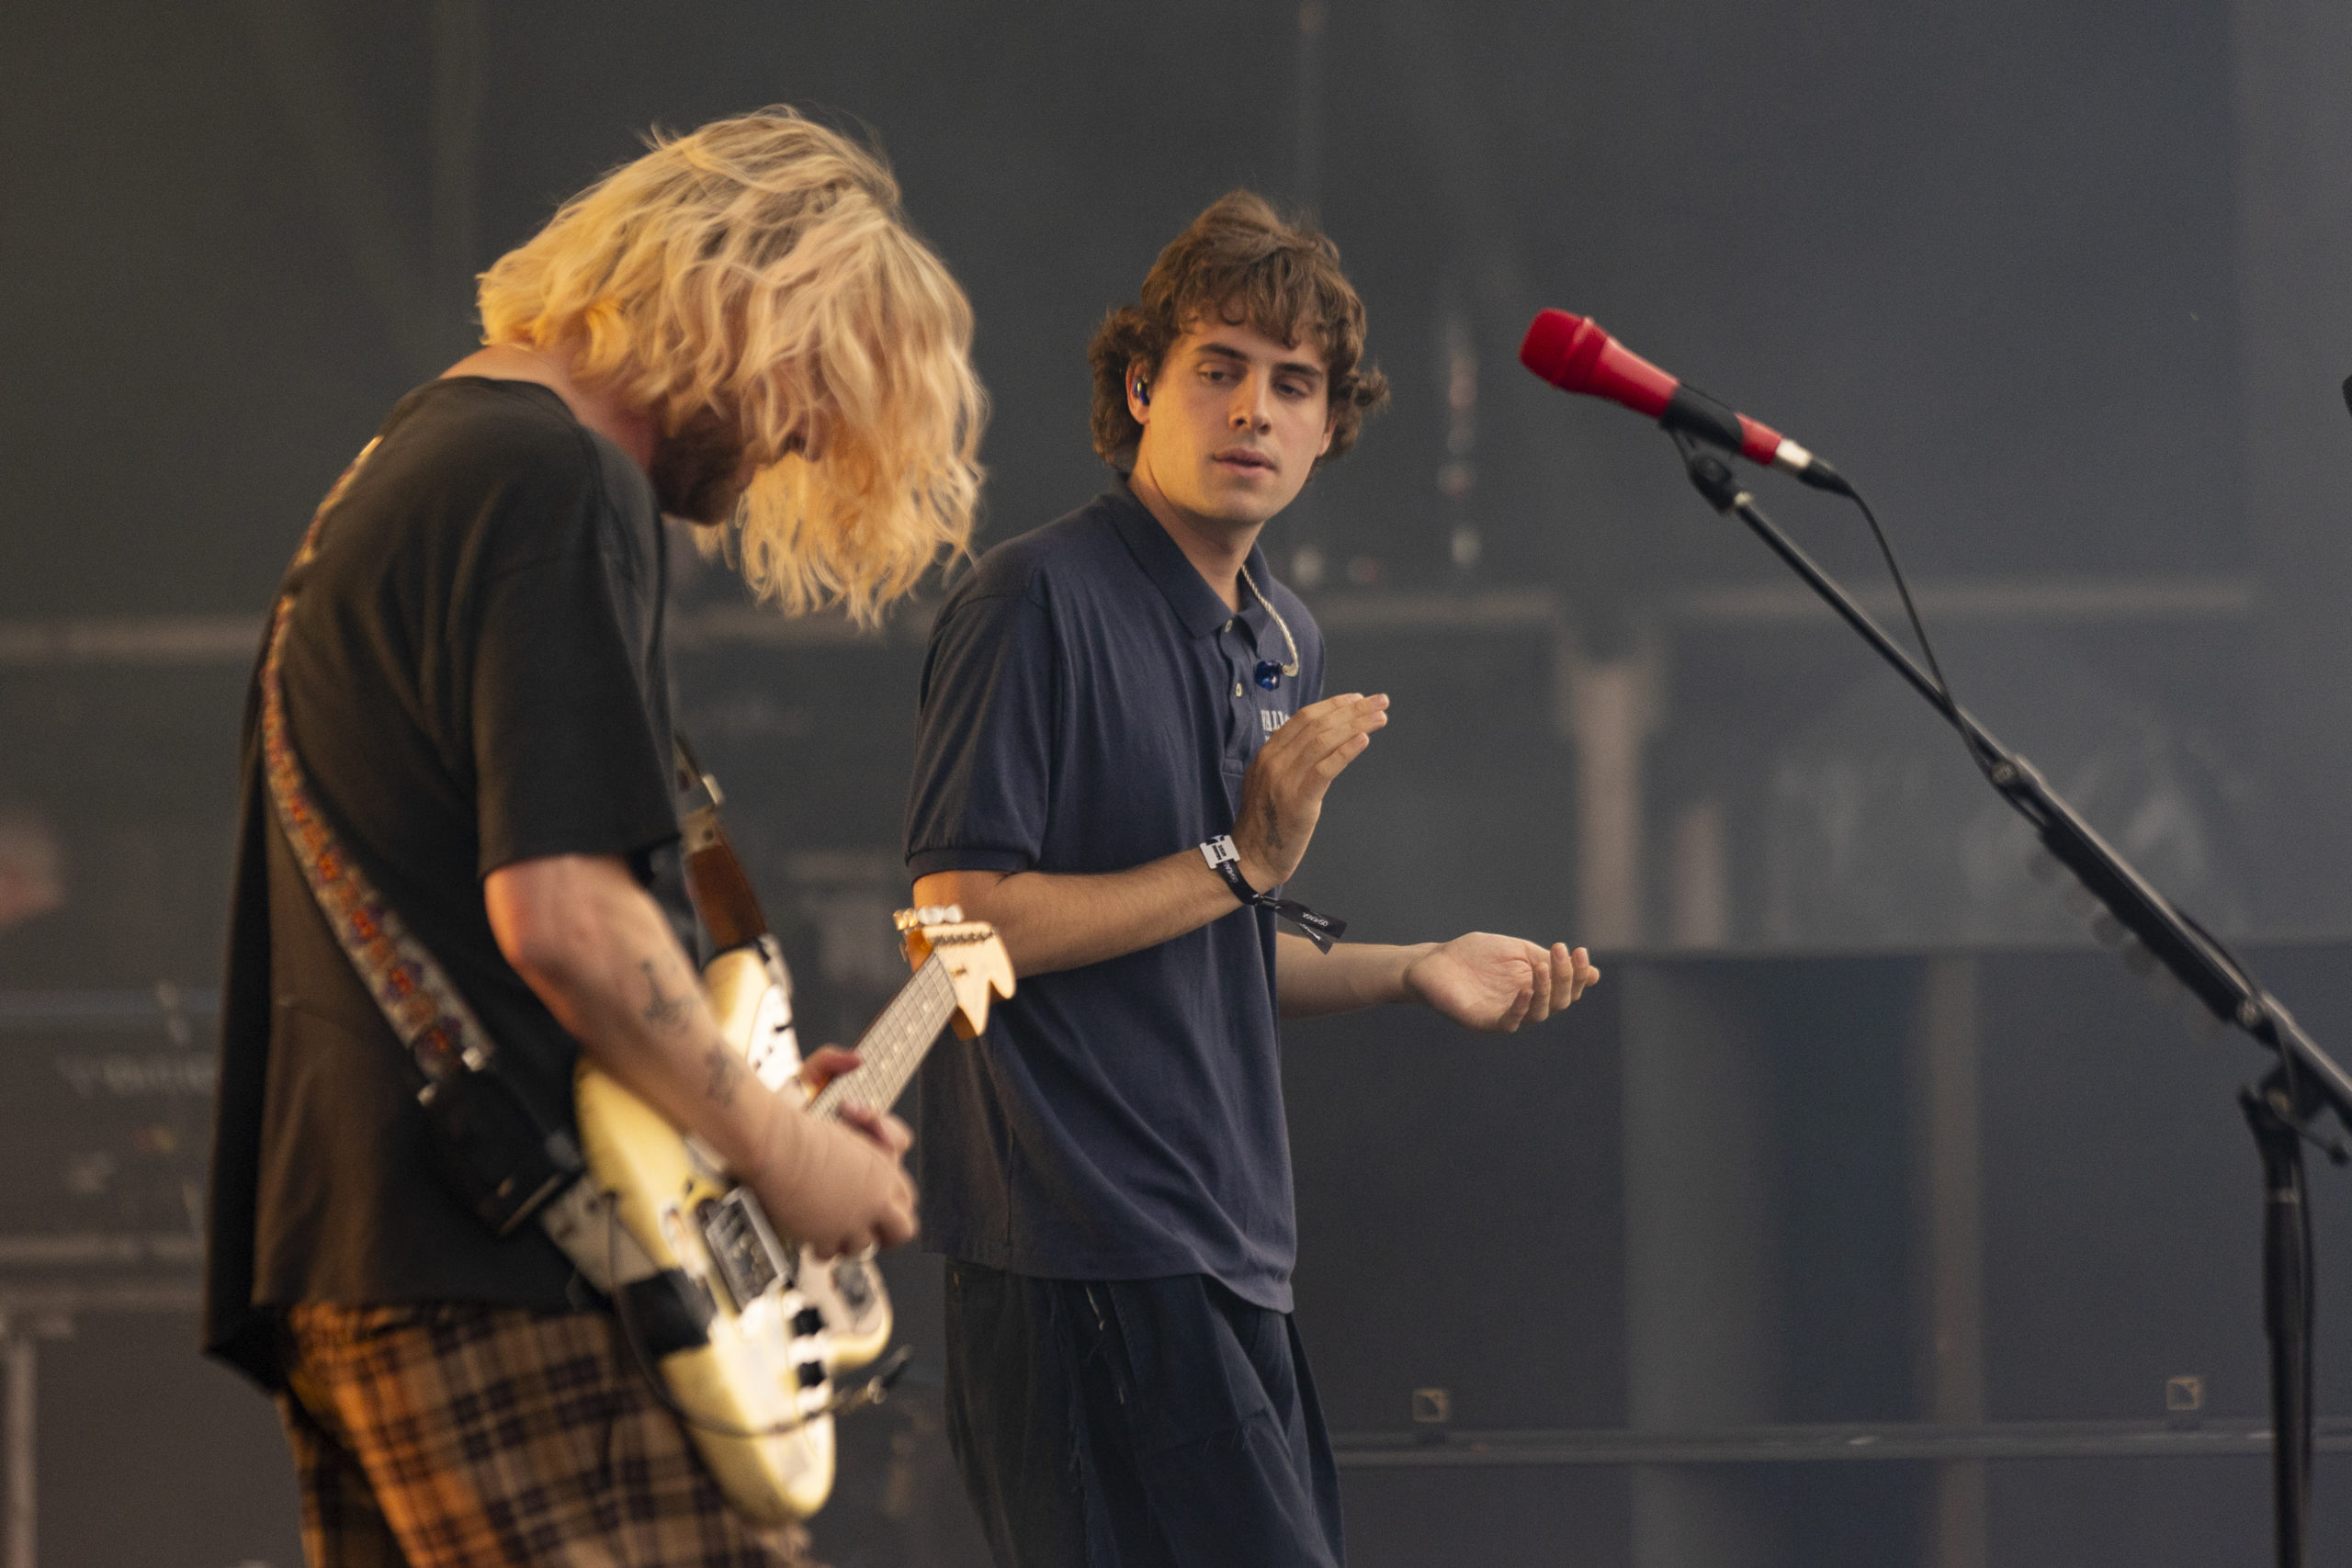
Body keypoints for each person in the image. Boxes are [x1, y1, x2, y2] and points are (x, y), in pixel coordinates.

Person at [203, 108, 986, 1568]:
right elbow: (564, 918)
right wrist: (778, 1152)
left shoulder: (428, 463)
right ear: (750, 308)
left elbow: (477, 917)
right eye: (819, 388)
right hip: (517, 1268)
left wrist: (731, 1100)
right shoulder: (554, 479)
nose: (807, 439)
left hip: (385, 1256)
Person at [902, 191, 1603, 1568]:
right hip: (1078, 1247)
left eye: (1294, 384)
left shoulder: (1285, 636)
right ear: (1138, 386)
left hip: (1230, 1247)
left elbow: (1209, 939)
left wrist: (1411, 969)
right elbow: (953, 935)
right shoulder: (1031, 600)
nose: (1254, 411)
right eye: (1217, 368)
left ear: (1331, 425)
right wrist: (1242, 861)